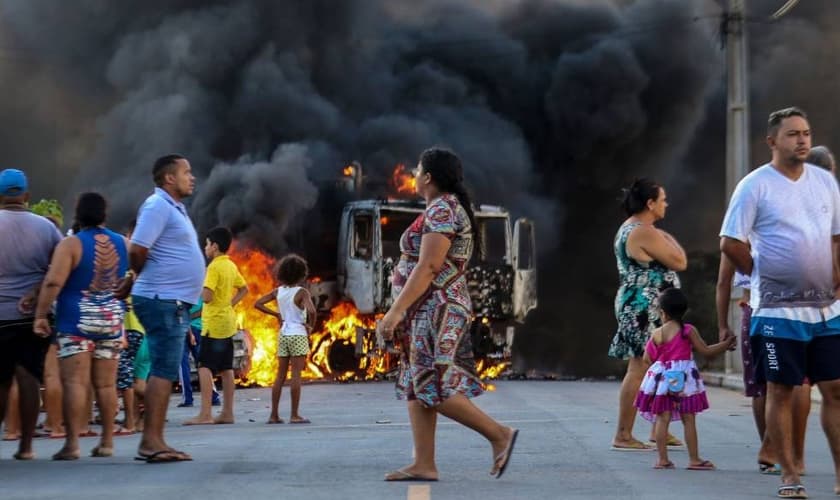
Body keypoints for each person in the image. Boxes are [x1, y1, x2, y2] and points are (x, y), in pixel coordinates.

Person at [376, 147, 517, 481]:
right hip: (426, 308)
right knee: (416, 383)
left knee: (433, 386)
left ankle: (499, 434)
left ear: (428, 177)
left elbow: (429, 265)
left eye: (417, 169)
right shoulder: (442, 208)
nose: (412, 173)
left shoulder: (442, 209)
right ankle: (424, 463)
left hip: (435, 308)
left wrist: (395, 312)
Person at [720, 107, 840, 498]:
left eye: (806, 133)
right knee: (782, 389)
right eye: (792, 134)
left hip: (826, 310)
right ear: (772, 141)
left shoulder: (825, 183)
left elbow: (836, 237)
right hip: (776, 311)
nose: (802, 140)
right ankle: (790, 475)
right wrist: (760, 273)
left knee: (835, 388)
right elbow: (730, 242)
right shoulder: (754, 186)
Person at [116, 154, 205, 463]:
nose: (192, 177)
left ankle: (155, 440)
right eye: (186, 172)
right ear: (169, 178)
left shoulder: (173, 208)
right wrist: (134, 274)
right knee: (164, 371)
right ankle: (151, 442)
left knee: (165, 371)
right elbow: (137, 248)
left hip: (170, 299)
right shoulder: (156, 206)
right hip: (161, 299)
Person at [34, 192, 128, 460]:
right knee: (107, 386)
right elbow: (142, 263)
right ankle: (107, 442)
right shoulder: (123, 243)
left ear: (78, 214)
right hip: (111, 321)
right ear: (104, 214)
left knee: (75, 383)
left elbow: (53, 282)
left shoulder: (71, 245)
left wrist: (41, 314)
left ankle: (72, 444)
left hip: (76, 323)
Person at [609, 178, 688, 451]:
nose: (666, 204)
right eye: (662, 199)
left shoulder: (632, 228)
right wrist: (668, 239)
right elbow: (679, 261)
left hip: (642, 302)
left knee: (659, 363)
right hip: (644, 306)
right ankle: (623, 434)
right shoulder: (643, 231)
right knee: (639, 366)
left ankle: (659, 429)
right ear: (650, 203)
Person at [717, 255, 811, 475]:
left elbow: (723, 281)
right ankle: (797, 457)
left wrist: (722, 324)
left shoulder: (741, 230)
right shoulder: (804, 225)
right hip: (804, 309)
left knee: (761, 382)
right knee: (801, 379)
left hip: (760, 310)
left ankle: (774, 453)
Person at [0, 168, 63, 460]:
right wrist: (37, 293)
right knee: (28, 378)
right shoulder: (47, 228)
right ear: (26, 195)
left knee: (1, 382)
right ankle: (26, 446)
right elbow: (59, 270)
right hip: (33, 317)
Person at [635, 288, 735, 470]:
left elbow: (647, 358)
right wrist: (726, 345)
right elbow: (706, 351)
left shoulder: (658, 333)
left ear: (663, 313)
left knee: (662, 418)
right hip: (685, 381)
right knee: (689, 419)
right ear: (684, 310)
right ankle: (694, 459)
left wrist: (663, 360)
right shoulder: (688, 330)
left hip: (664, 380)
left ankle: (662, 459)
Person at [184, 227, 247, 425]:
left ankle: (205, 414)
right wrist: (230, 304)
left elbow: (208, 297)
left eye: (207, 244)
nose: (205, 248)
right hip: (228, 322)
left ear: (215, 246)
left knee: (204, 366)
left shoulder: (213, 268)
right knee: (227, 368)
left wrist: (200, 289)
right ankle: (227, 412)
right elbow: (244, 289)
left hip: (213, 324)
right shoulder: (230, 266)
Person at [255, 254, 316, 425]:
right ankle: (294, 415)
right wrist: (311, 326)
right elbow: (311, 311)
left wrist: (276, 314)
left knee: (280, 376)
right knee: (296, 375)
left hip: (283, 335)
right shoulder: (302, 292)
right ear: (302, 274)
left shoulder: (278, 291)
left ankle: (273, 415)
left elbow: (258, 303)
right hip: (298, 334)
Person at [178, 298, 220, 408]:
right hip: (199, 328)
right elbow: (206, 310)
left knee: (183, 365)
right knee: (203, 365)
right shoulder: (202, 288)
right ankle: (214, 396)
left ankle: (187, 399)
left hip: (184, 328)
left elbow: (181, 311)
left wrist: (186, 320)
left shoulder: (181, 290)